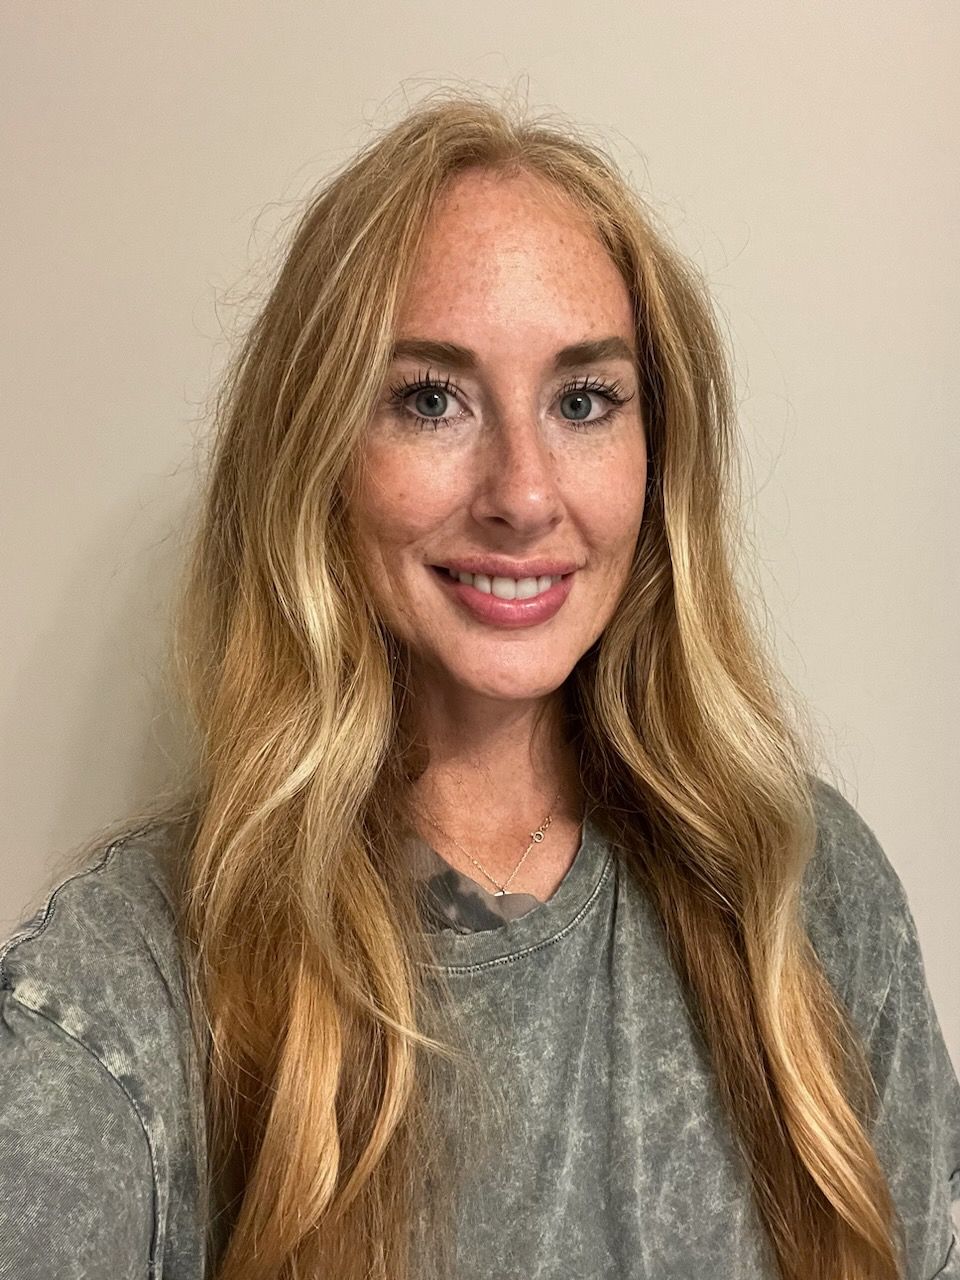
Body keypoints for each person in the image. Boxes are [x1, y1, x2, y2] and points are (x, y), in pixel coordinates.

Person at [1, 89, 958, 1280]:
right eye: (430, 398)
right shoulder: (119, 995)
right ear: (317, 454)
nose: (522, 492)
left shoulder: (802, 895)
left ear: (658, 459)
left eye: (584, 400)